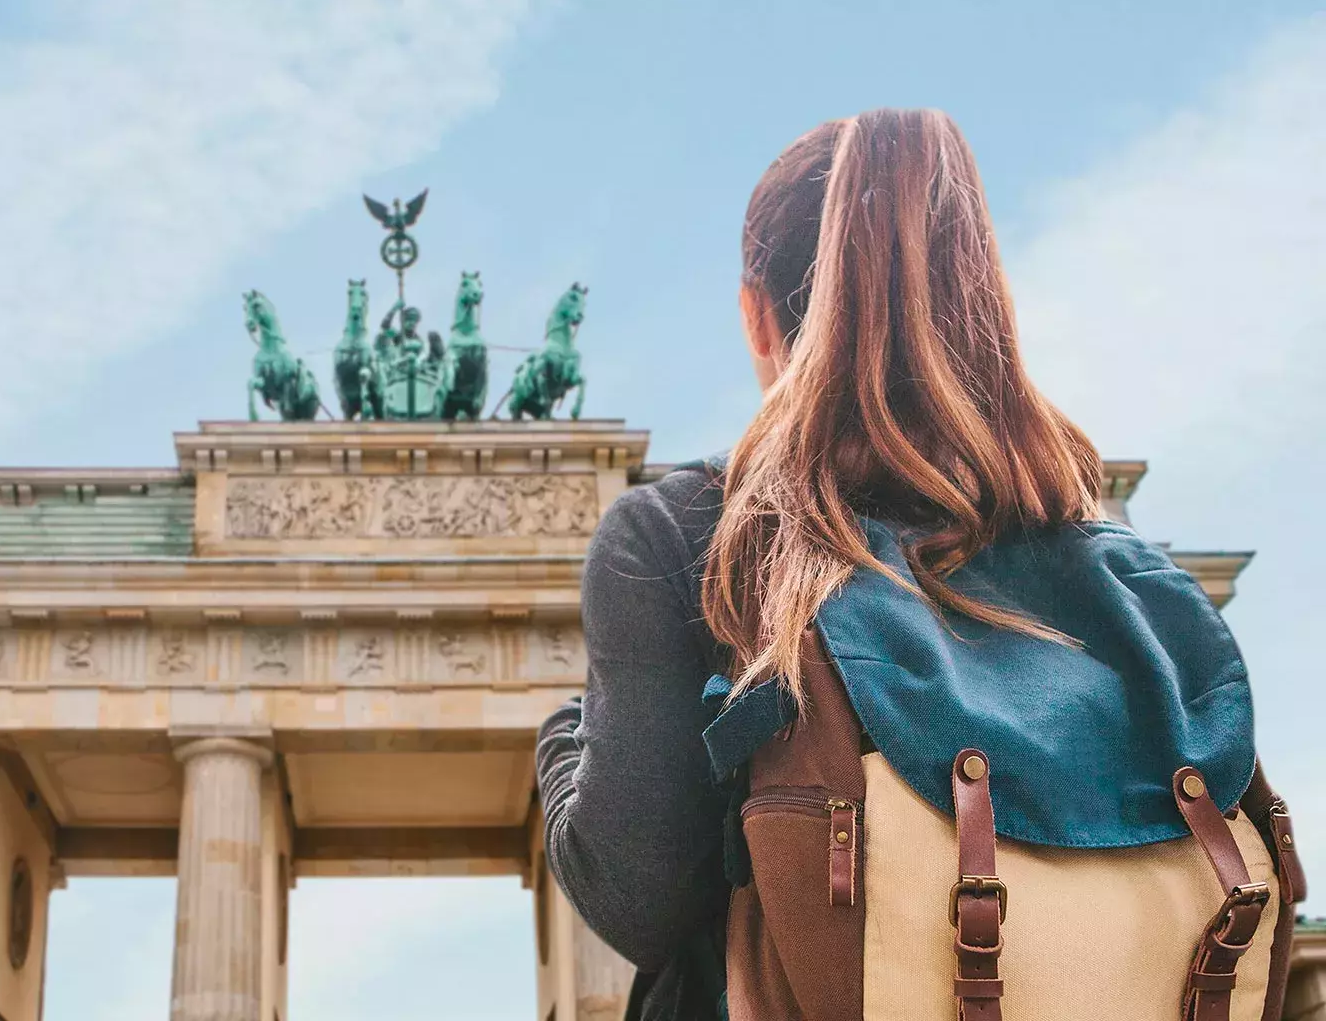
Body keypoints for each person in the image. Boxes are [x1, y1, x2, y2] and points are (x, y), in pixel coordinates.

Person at [535, 108, 1299, 1020]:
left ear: (754, 316)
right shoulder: (1118, 574)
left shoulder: (694, 536)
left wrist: (562, 737)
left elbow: (638, 902)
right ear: (981, 297)